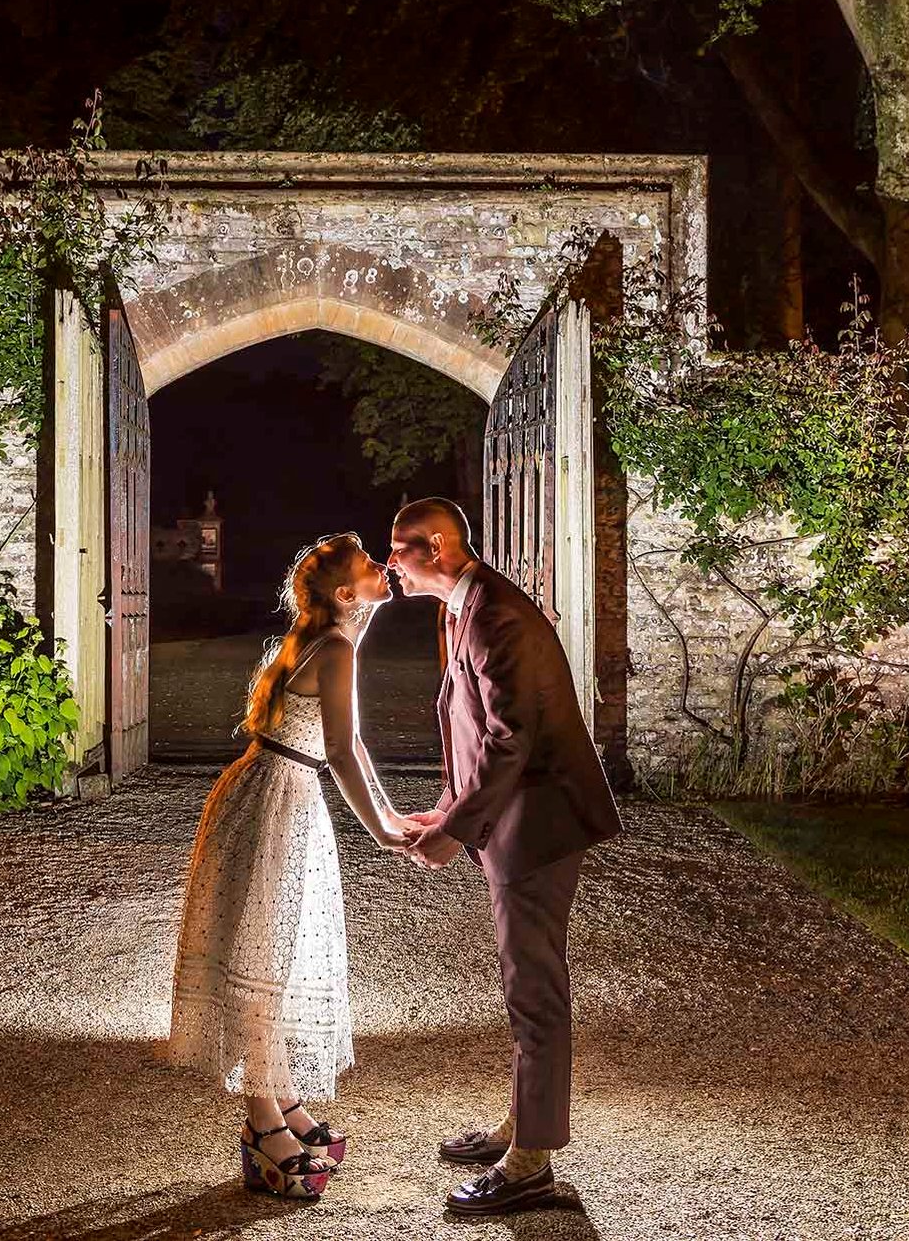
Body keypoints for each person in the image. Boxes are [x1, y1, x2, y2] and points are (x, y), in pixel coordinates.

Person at [387, 497, 622, 1216]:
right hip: (512, 819)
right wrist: (449, 808)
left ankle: (531, 1166)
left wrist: (456, 830)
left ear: (435, 546)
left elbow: (511, 738)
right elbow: (479, 727)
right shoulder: (463, 607)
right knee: (524, 980)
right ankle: (521, 1128)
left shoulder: (493, 614)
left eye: (399, 548)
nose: (389, 561)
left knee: (534, 988)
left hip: (539, 824)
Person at [166, 533, 419, 1200]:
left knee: (270, 957)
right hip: (280, 796)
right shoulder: (333, 647)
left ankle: (280, 1104)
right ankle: (260, 1123)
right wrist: (385, 829)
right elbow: (340, 747)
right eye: (372, 569)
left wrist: (388, 817)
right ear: (344, 594)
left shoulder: (331, 640)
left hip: (272, 790)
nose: (385, 570)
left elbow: (346, 741)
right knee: (264, 966)